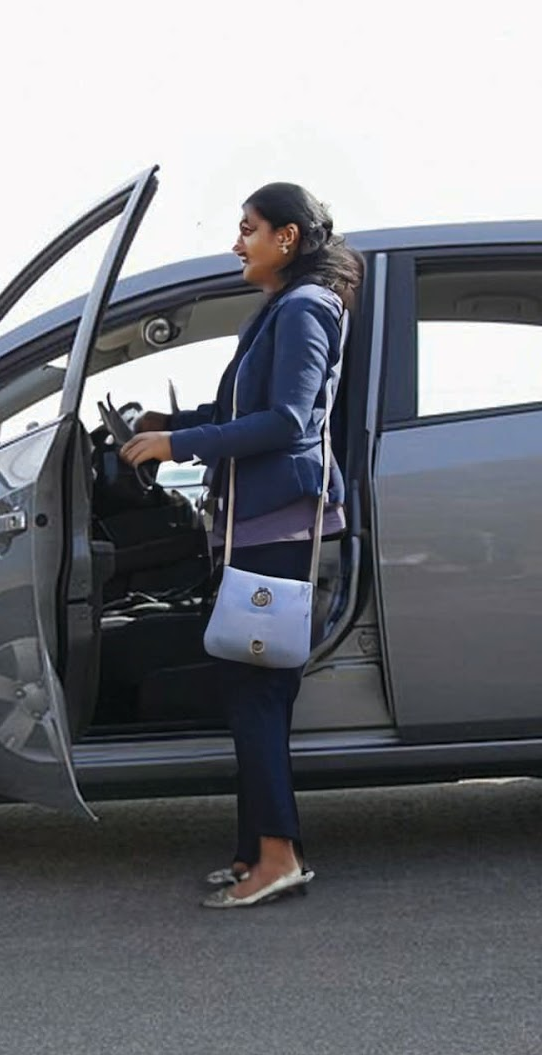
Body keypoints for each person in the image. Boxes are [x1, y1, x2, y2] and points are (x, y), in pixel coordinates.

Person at [119, 183, 363, 907]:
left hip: (281, 525)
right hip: (259, 524)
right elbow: (244, 411)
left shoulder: (306, 309)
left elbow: (287, 421)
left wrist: (179, 442)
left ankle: (278, 856)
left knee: (255, 690)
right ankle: (255, 847)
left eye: (248, 229)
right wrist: (172, 421)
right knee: (249, 686)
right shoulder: (282, 310)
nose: (237, 242)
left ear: (287, 238)